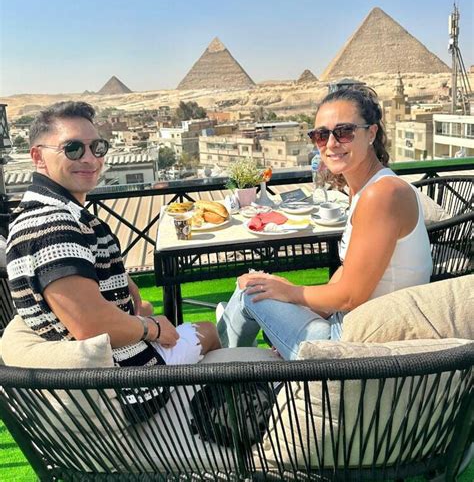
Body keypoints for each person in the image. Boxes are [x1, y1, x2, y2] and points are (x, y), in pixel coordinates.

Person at [6, 101, 220, 417]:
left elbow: (92, 288)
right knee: (209, 330)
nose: (90, 159)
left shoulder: (50, 215)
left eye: (98, 147)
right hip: (133, 385)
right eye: (73, 149)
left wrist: (129, 301)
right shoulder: (53, 227)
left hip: (117, 367)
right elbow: (91, 324)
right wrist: (152, 328)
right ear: (38, 157)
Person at [217, 86, 432, 360]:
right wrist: (299, 308)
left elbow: (350, 296)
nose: (331, 144)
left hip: (356, 348)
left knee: (249, 290)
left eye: (344, 132)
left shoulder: (382, 194)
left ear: (371, 133)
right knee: (259, 285)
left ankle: (225, 369)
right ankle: (231, 359)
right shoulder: (368, 189)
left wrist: (291, 292)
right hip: (359, 330)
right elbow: (348, 273)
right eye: (321, 135)